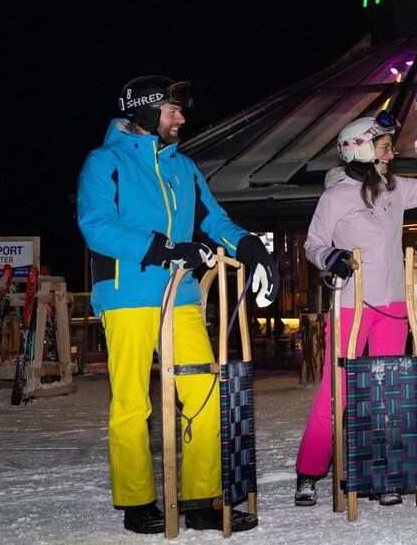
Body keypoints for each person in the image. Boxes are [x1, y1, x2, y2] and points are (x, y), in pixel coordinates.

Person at [77, 76, 278, 534]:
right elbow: (97, 227)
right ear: (145, 112)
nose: (182, 119)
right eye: (172, 111)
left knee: (205, 395)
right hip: (127, 297)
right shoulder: (104, 162)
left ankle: (198, 499)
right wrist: (165, 248)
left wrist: (250, 247)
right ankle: (137, 502)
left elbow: (215, 220)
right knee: (132, 403)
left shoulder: (183, 167)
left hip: (182, 298)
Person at [294, 109, 417, 507]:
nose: (392, 154)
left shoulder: (394, 189)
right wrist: (329, 256)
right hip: (353, 305)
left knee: (388, 392)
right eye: (386, 147)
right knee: (333, 393)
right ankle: (309, 471)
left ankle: (382, 473)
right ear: (363, 150)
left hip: (392, 306)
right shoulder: (335, 196)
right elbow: (313, 244)